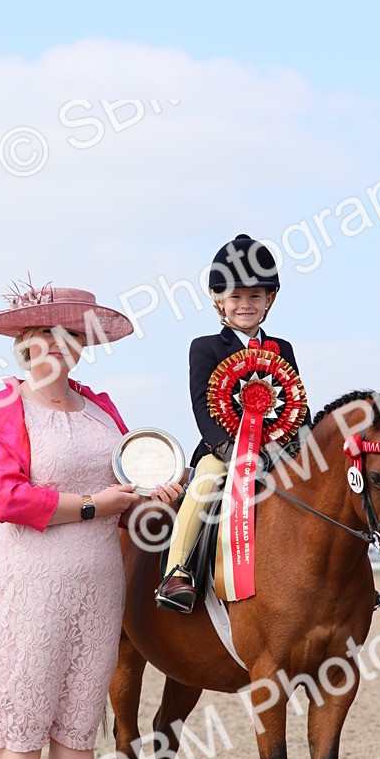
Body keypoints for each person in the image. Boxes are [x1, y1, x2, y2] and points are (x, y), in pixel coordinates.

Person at [0, 281, 181, 759]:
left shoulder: (102, 412)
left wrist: (152, 498)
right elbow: (6, 499)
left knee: (76, 729)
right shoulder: (1, 411)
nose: (66, 349)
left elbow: (127, 486)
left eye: (76, 338)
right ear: (27, 345)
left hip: (97, 581)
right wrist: (94, 504)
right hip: (32, 581)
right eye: (53, 337)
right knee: (23, 726)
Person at [156, 233, 308, 613]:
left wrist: (304, 445)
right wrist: (229, 449)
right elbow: (201, 407)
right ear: (218, 301)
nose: (245, 305)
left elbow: (296, 403)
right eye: (235, 297)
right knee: (206, 481)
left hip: (278, 451)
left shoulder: (283, 349)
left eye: (255, 296)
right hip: (221, 451)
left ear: (269, 300)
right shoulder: (204, 347)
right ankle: (178, 570)